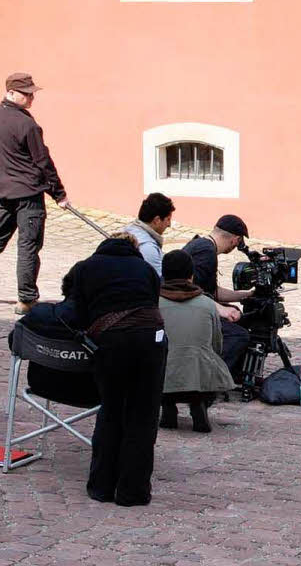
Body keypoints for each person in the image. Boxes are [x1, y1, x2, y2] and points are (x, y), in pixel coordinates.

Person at [63, 232, 166, 506]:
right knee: (142, 416)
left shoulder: (86, 267)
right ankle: (133, 491)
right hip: (151, 340)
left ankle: (101, 487)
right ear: (134, 249)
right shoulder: (145, 269)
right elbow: (153, 303)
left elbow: (79, 313)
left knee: (111, 410)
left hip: (111, 342)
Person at [0, 73, 70, 315]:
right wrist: (59, 194)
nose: (31, 98)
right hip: (28, 196)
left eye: (32, 94)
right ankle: (26, 300)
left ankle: (26, 297)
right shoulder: (27, 125)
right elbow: (43, 162)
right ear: (10, 93)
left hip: (3, 193)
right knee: (28, 247)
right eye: (26, 93)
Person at [158, 250, 235, 432]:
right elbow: (217, 343)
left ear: (164, 274)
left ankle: (167, 406)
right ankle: (198, 404)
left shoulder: (154, 302)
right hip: (199, 376)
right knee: (205, 359)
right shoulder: (207, 304)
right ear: (191, 276)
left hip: (163, 375)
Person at [181, 215, 253, 372]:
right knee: (238, 336)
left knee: (239, 317)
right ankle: (212, 378)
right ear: (235, 239)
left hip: (189, 306)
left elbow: (213, 291)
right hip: (188, 310)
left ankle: (234, 374)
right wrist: (222, 310)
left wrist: (246, 295)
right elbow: (191, 289)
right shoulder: (206, 252)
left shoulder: (200, 244)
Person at [124, 193, 175, 277]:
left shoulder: (128, 230)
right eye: (168, 219)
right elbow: (158, 283)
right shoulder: (148, 249)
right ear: (157, 220)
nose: (169, 224)